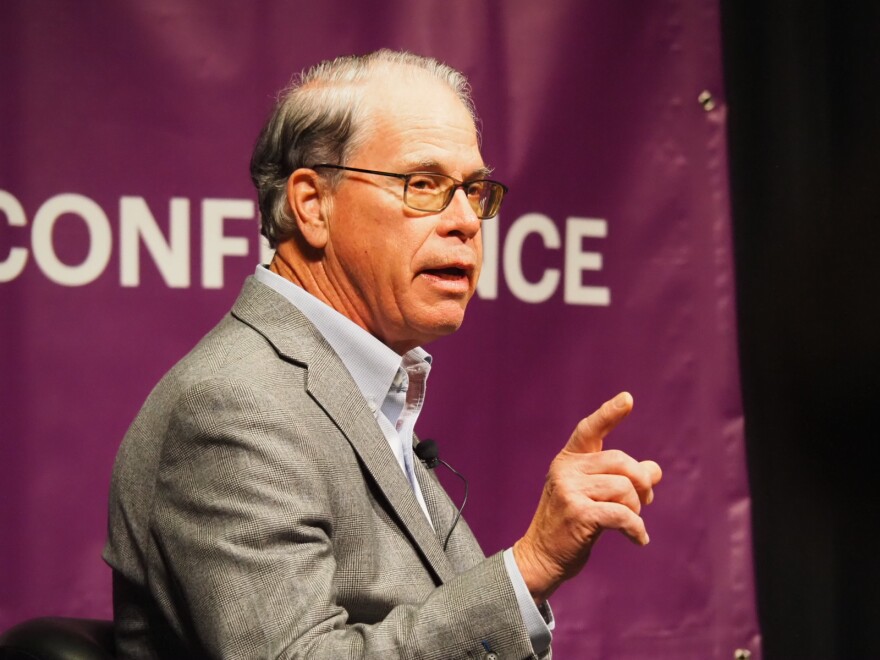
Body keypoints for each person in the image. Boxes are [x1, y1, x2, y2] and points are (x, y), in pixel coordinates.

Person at [104, 49, 662, 659]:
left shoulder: (366, 394)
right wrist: (530, 567)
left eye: (473, 190)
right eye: (423, 185)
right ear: (313, 204)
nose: (466, 221)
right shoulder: (235, 406)